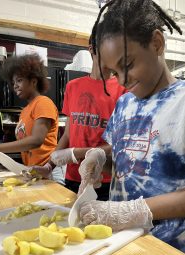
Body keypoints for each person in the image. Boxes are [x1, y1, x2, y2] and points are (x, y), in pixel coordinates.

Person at [77, 0, 185, 255]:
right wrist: (100, 157)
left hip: (170, 253)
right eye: (114, 73)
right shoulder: (125, 103)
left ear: (157, 43)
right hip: (118, 245)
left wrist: (135, 211)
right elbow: (128, 159)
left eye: (127, 65)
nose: (123, 81)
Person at [32, 38, 126, 199]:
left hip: (103, 179)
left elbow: (119, 144)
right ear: (92, 49)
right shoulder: (73, 86)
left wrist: (75, 153)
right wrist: (49, 166)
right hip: (73, 177)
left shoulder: (123, 90)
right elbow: (68, 134)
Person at [0, 54, 59, 169]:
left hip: (48, 170)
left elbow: (36, 140)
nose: (15, 86)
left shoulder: (43, 102)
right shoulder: (24, 111)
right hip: (33, 170)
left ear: (33, 81)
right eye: (13, 83)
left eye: (19, 80)